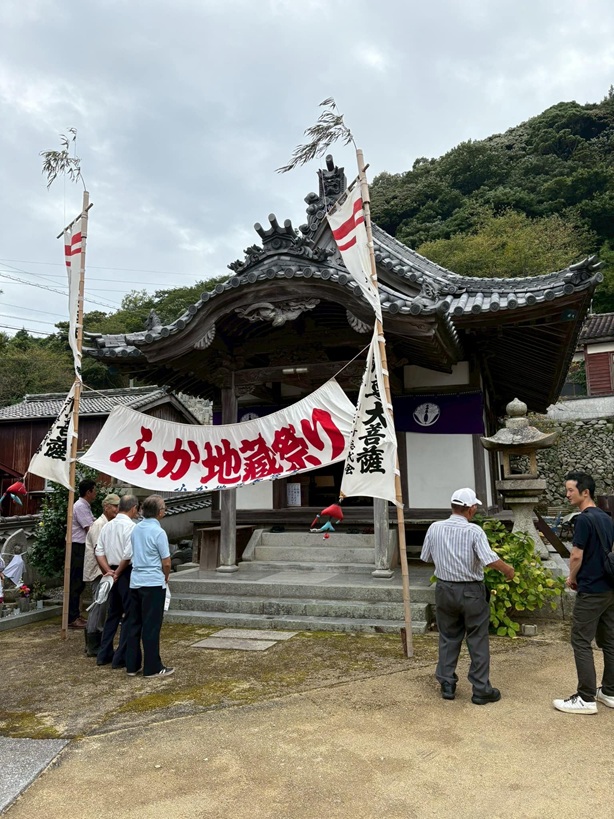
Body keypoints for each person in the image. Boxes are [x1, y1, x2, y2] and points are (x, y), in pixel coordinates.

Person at [421, 487, 515, 704]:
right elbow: (489, 559)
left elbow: (426, 556)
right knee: (477, 637)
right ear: (471, 509)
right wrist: (508, 570)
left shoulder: (434, 528)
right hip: (471, 590)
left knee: (448, 636)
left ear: (453, 506)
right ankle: (481, 689)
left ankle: (447, 683)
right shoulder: (474, 531)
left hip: (444, 588)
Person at [553, 471, 614, 714]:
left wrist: (572, 577)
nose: (567, 494)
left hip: (591, 589)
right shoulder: (606, 517)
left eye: (570, 490)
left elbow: (576, 555)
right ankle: (609, 691)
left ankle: (586, 697)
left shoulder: (583, 520)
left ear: (585, 492)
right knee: (610, 641)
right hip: (609, 586)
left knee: (580, 640)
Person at [125, 495, 174, 678]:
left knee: (134, 623)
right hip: (153, 581)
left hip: (136, 580)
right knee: (151, 626)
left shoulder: (136, 529)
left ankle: (132, 665)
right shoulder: (159, 532)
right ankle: (152, 666)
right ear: (159, 512)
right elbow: (166, 561)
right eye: (164, 508)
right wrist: (166, 577)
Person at [95, 494, 140, 668]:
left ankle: (104, 653)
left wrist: (108, 571)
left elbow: (99, 551)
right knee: (129, 614)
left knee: (113, 613)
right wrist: (118, 573)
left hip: (110, 569)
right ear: (134, 508)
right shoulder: (132, 527)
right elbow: (128, 554)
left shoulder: (107, 526)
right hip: (125, 571)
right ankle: (120, 656)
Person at [83, 493, 120, 657]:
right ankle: (93, 644)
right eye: (115, 506)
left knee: (101, 606)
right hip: (99, 571)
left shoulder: (108, 523)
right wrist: (107, 571)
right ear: (106, 507)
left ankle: (94, 643)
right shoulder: (99, 525)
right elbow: (99, 551)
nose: (117, 510)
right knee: (99, 606)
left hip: (104, 570)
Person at [69, 479, 97, 628]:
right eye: (94, 490)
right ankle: (72, 617)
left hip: (81, 546)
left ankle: (76, 614)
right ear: (88, 492)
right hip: (77, 546)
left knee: (79, 582)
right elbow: (90, 528)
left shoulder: (85, 506)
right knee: (76, 582)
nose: (96, 493)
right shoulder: (80, 506)